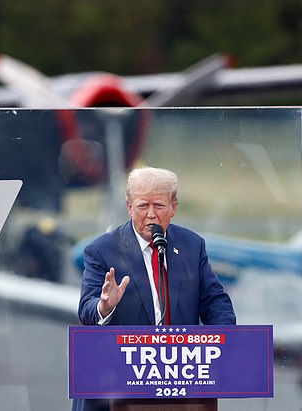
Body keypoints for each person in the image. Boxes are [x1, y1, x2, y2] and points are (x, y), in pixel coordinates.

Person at [72, 166, 236, 411]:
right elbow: (87, 310)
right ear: (129, 207)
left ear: (173, 207)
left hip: (180, 385)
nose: (150, 214)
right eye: (142, 206)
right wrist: (104, 306)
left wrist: (226, 342)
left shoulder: (192, 246)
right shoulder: (101, 250)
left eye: (158, 206)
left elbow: (214, 301)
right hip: (117, 387)